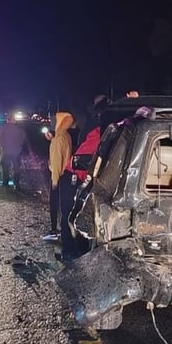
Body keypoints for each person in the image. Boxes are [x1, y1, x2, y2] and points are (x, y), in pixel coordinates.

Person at [58, 95, 107, 262]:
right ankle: (69, 252)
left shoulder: (117, 133)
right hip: (74, 176)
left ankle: (83, 253)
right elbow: (84, 155)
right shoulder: (100, 131)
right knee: (70, 215)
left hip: (92, 179)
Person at [43, 110, 74, 241]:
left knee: (54, 204)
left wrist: (54, 180)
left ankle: (54, 230)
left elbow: (56, 161)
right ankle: (64, 231)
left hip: (58, 176)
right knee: (65, 205)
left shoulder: (57, 139)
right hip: (67, 175)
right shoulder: (66, 135)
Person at [0, 114, 29, 191]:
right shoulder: (19, 129)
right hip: (16, 152)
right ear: (14, 120)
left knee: (5, 168)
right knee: (16, 168)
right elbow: (24, 139)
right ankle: (17, 184)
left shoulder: (2, 128)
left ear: (7, 120)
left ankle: (5, 183)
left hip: (5, 151)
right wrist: (20, 147)